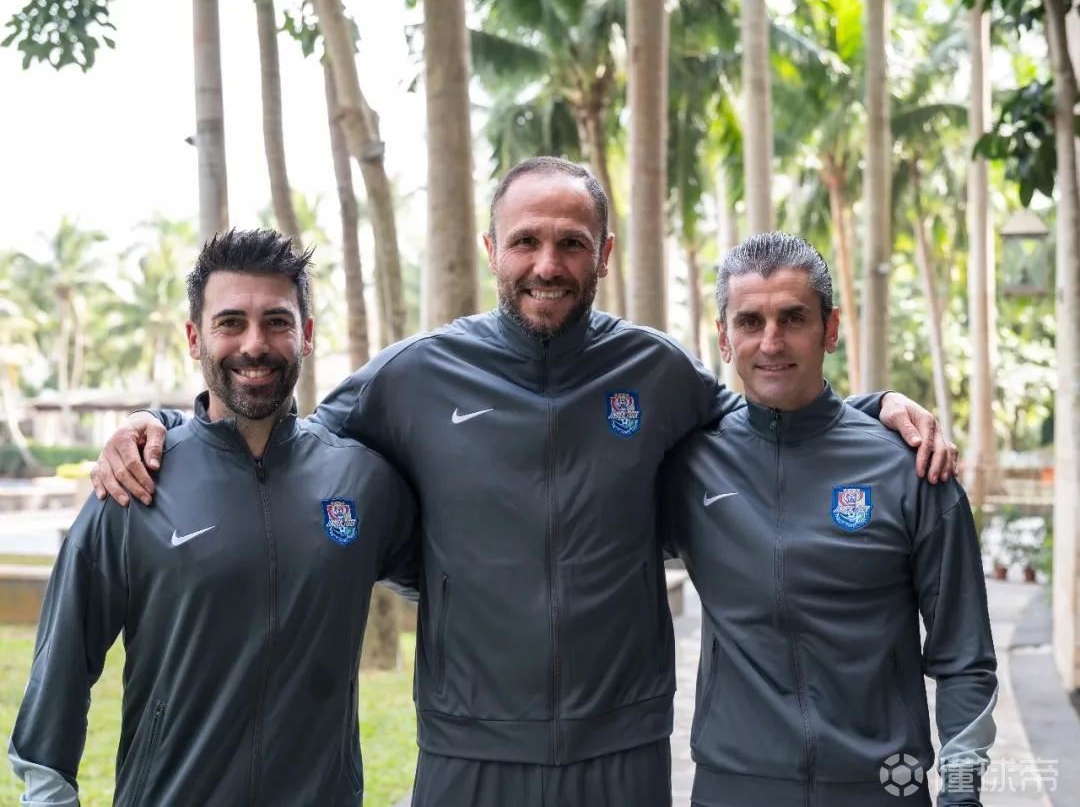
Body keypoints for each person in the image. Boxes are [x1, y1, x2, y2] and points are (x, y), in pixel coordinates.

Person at [89, 158, 957, 807]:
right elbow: (279, 437)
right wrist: (166, 424)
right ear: (491, 249)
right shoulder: (416, 374)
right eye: (527, 241)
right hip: (468, 748)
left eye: (571, 243)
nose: (548, 262)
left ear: (603, 253)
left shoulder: (656, 372)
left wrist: (871, 409)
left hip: (622, 746)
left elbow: (770, 420)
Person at [9, 229, 418, 806]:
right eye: (230, 323)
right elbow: (63, 664)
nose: (255, 344)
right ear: (194, 338)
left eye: (276, 321)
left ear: (306, 334)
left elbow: (458, 594)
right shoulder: (134, 481)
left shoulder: (362, 481)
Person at [660, 232, 996, 807]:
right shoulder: (689, 468)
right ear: (724, 338)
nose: (771, 342)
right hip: (734, 787)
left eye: (793, 318)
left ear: (830, 329)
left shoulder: (912, 469)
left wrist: (961, 797)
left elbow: (965, 660)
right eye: (749, 322)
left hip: (884, 786)